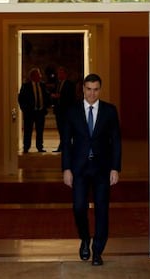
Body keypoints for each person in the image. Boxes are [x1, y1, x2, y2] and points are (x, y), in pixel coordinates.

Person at [61, 73, 121, 266]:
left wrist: (115, 168)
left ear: (99, 90)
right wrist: (66, 169)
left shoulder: (110, 111)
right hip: (79, 168)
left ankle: (97, 251)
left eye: (96, 89)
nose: (92, 93)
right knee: (79, 207)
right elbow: (66, 143)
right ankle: (85, 238)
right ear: (83, 89)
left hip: (102, 168)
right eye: (89, 89)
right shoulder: (72, 111)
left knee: (102, 210)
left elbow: (116, 142)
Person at [18, 67, 51, 153]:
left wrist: (46, 106)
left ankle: (40, 146)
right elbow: (21, 98)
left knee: (40, 131)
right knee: (28, 130)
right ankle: (26, 147)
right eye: (38, 74)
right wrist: (24, 109)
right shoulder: (26, 86)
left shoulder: (42, 85)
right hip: (30, 112)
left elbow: (46, 96)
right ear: (33, 76)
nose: (40, 76)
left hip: (40, 112)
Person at [51, 66, 77, 152]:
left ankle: (66, 146)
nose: (59, 75)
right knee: (61, 129)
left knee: (67, 130)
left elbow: (71, 97)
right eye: (58, 73)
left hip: (67, 111)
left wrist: (60, 96)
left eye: (61, 73)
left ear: (65, 74)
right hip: (58, 110)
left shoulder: (70, 84)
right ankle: (62, 146)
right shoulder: (57, 84)